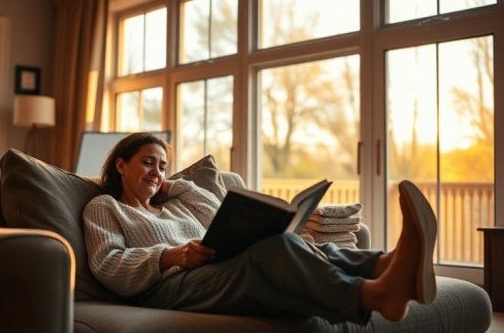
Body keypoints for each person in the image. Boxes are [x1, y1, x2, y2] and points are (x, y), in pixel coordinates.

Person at [83, 132, 437, 325]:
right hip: (164, 288)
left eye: (162, 166)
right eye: (147, 163)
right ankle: (375, 296)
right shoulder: (105, 207)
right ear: (120, 164)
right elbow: (108, 265)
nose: (157, 172)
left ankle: (386, 265)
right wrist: (171, 255)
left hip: (209, 270)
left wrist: (178, 185)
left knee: (290, 241)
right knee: (274, 250)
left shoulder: (174, 201)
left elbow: (214, 215)